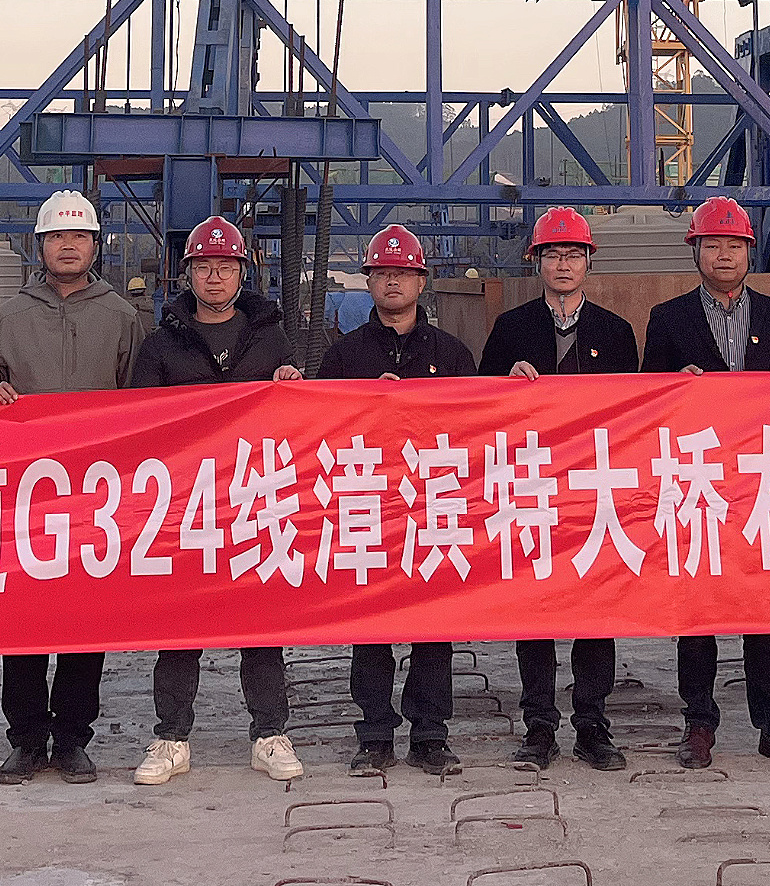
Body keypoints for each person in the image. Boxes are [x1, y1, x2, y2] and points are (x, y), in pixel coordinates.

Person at [642, 194, 770, 773]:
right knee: (698, 609)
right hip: (698, 484)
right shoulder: (669, 319)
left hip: (759, 485)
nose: (724, 254)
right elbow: (643, 399)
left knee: (764, 608)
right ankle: (699, 723)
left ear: (750, 252)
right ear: (695, 251)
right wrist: (675, 384)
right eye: (713, 245)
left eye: (735, 245)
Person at [127, 210, 309, 787]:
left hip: (253, 495)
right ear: (188, 274)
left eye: (225, 267)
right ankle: (171, 737)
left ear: (241, 273)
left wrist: (291, 387)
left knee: (260, 622)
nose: (214, 277)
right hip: (186, 501)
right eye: (203, 267)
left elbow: (302, 418)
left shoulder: (271, 339)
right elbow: (138, 419)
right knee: (181, 624)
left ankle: (270, 734)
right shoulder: (162, 344)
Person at [0, 192, 147, 785]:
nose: (67, 246)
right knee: (23, 619)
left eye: (78, 237)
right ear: (40, 245)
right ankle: (25, 738)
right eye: (56, 237)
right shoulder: (9, 316)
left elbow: (143, 402)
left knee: (82, 619)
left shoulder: (121, 317)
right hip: (26, 495)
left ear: (96, 246)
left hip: (95, 495)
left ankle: (72, 737)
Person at [481, 207, 633, 772]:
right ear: (537, 263)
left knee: (595, 610)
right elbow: (480, 405)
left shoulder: (615, 333)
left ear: (589, 262)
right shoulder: (511, 329)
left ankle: (593, 725)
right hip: (534, 487)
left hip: (595, 489)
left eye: (573, 255)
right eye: (553, 255)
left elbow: (635, 413)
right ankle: (539, 726)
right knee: (537, 608)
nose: (563, 264)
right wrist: (505, 383)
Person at [319, 225, 474, 775]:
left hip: (433, 504)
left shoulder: (451, 354)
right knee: (372, 626)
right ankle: (375, 733)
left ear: (421, 282)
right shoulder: (344, 357)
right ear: (368, 282)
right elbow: (321, 429)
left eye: (403, 273)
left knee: (434, 625)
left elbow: (474, 426)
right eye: (382, 273)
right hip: (369, 505)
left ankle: (430, 733)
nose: (392, 282)